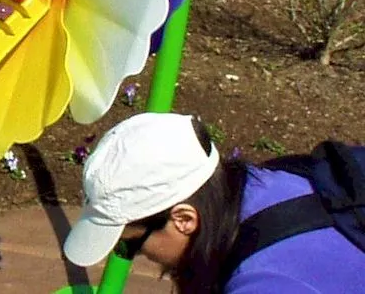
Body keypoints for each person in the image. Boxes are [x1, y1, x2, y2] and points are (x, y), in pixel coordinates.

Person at [63, 113, 365, 294]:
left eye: (130, 246)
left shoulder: (266, 281)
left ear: (183, 219)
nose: (137, 256)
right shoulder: (266, 184)